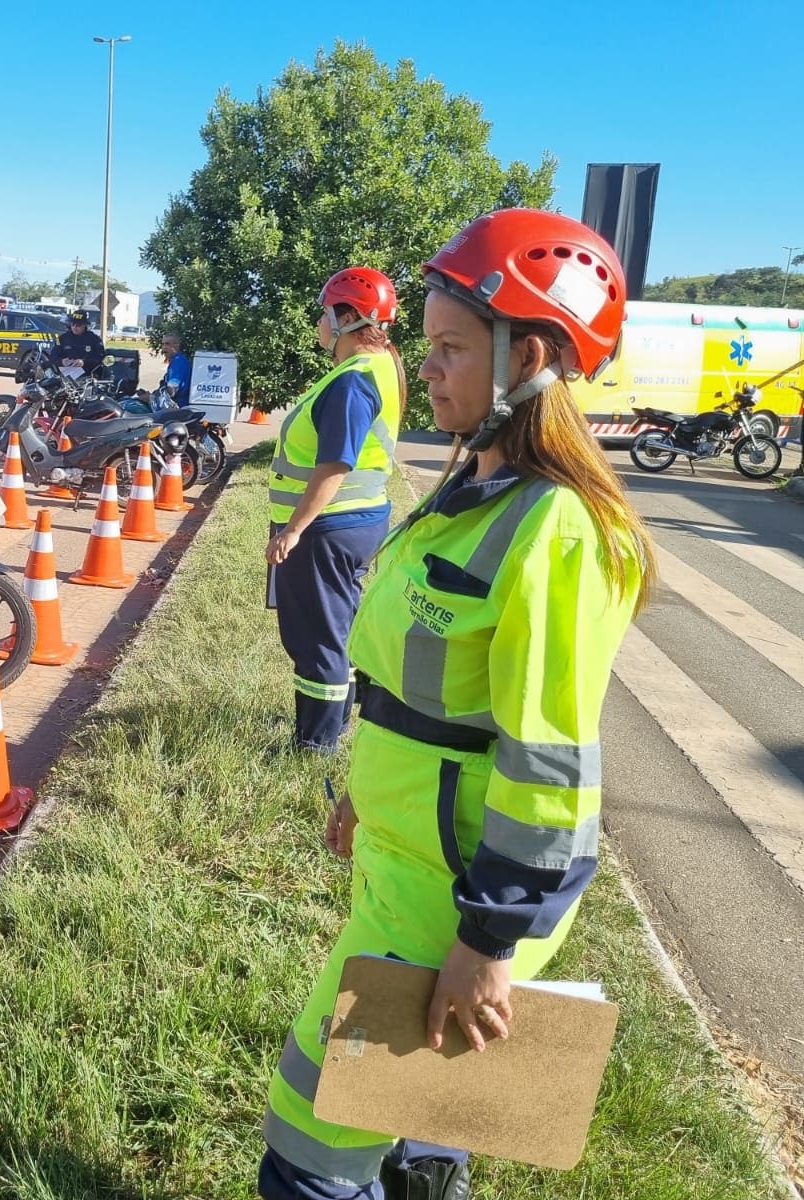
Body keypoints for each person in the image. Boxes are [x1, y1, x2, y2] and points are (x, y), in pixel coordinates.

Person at [256, 209, 656, 1200]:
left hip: (453, 907)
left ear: (528, 358)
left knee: (308, 1153)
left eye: (446, 349)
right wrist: (364, 789)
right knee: (426, 1133)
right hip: (407, 864)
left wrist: (487, 945)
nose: (421, 371)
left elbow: (548, 765)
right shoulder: (471, 482)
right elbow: (411, 688)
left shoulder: (555, 528)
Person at [263, 267, 407, 751]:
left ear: (345, 318)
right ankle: (334, 723)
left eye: (324, 314)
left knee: (316, 639)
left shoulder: (352, 381)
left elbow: (335, 464)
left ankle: (314, 742)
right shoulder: (379, 365)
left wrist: (293, 530)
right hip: (356, 520)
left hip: (327, 527)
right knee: (337, 628)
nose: (319, 325)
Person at [55, 308, 106, 378]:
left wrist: (84, 362)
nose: (75, 327)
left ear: (85, 325)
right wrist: (61, 361)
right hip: (65, 375)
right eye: (73, 324)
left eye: (78, 325)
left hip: (87, 375)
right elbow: (53, 356)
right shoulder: (62, 339)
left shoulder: (94, 339)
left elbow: (100, 358)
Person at [157, 333, 191, 405]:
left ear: (176, 345)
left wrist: (151, 398)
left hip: (177, 407)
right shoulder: (176, 360)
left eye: (167, 344)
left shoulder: (179, 362)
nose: (164, 347)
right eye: (163, 344)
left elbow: (171, 391)